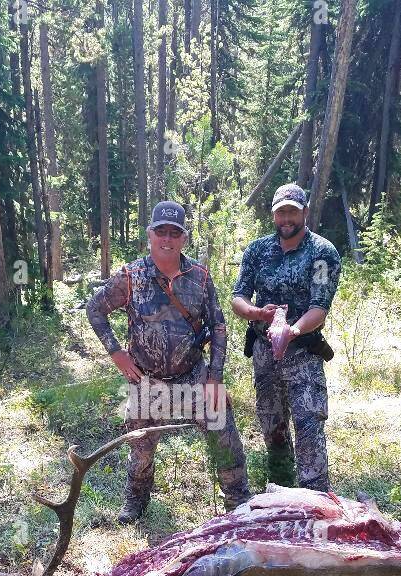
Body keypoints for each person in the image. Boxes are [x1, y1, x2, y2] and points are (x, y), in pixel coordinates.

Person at [87, 200, 253, 524]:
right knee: (141, 450)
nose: (167, 239)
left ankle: (238, 502)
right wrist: (116, 353)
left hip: (192, 375)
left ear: (183, 238)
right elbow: (95, 309)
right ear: (150, 234)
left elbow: (218, 326)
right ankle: (136, 500)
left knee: (223, 426)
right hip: (145, 381)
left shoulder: (200, 277)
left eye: (174, 233)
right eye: (160, 231)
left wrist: (215, 378)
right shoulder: (130, 276)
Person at [231, 183, 342, 492]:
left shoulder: (322, 253)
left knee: (309, 427)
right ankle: (279, 496)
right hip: (266, 354)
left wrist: (291, 330)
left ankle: (316, 502)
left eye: (293, 211)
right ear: (273, 216)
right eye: (281, 213)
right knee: (273, 426)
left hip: (303, 354)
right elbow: (238, 297)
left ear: (305, 212)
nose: (287, 219)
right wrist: (257, 314)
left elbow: (319, 308)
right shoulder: (257, 251)